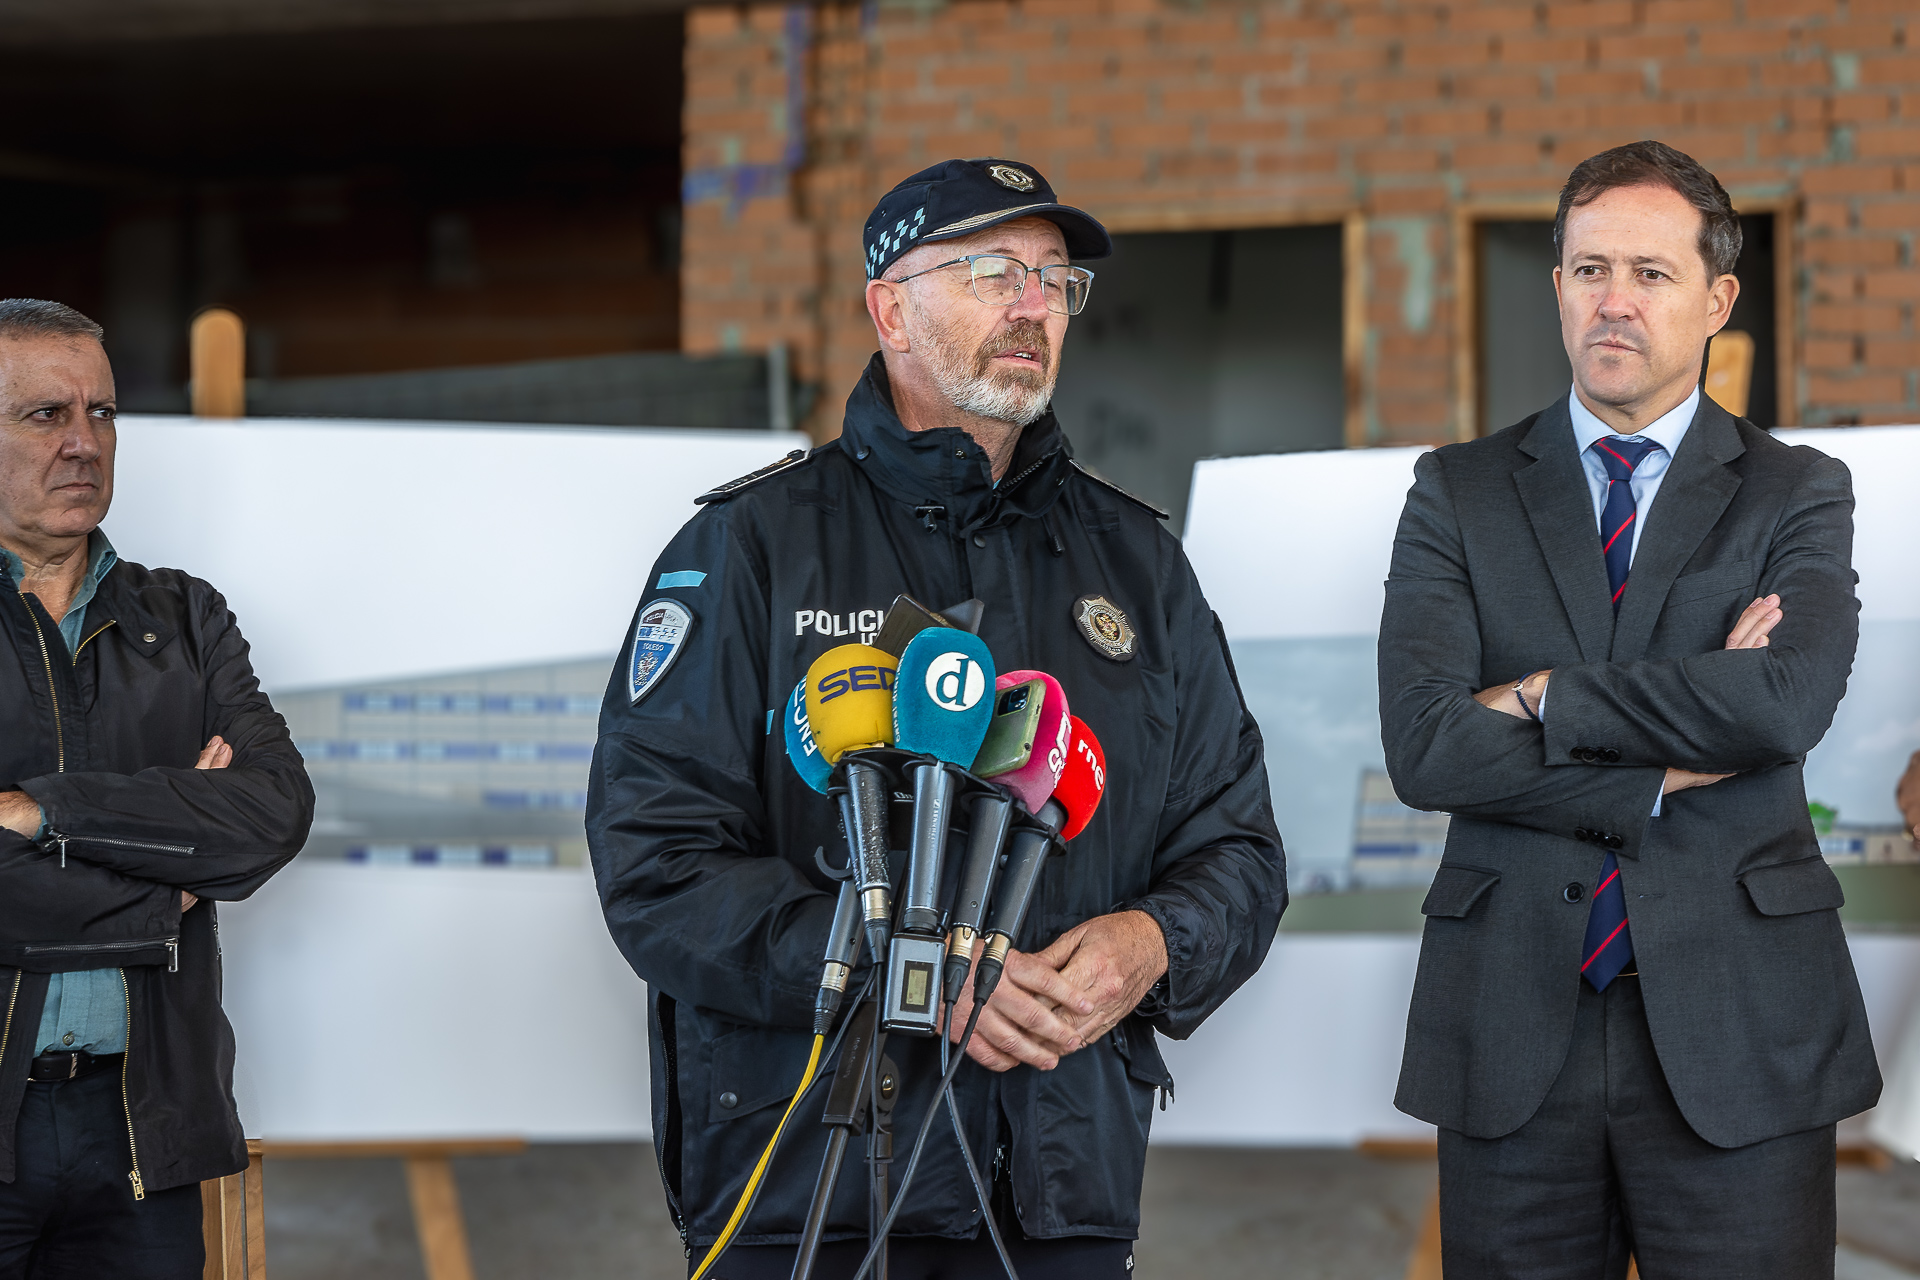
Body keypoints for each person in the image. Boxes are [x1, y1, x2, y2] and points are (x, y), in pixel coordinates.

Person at [589, 158, 1285, 1278]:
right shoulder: (749, 548)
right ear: (890, 309)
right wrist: (913, 968)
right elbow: (656, 864)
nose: (1031, 306)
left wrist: (1149, 945)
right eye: (991, 271)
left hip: (1061, 1188)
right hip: (808, 1174)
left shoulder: (1140, 566)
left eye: (1054, 281)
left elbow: (1238, 850)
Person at [1380, 140, 1878, 1278]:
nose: (1614, 301)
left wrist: (1542, 694)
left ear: (1717, 299)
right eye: (1588, 268)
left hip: (1741, 1021)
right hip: (1512, 1020)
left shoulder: (1798, 489)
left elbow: (1785, 702)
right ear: (1555, 285)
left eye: (1650, 274)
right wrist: (1663, 758)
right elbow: (1425, 744)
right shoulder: (1455, 491)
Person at [0, 300, 314, 1278]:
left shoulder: (183, 617)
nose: (83, 442)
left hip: (143, 1127)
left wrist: (50, 811)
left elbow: (271, 813)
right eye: (45, 415)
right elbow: (217, 839)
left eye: (103, 413)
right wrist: (167, 885)